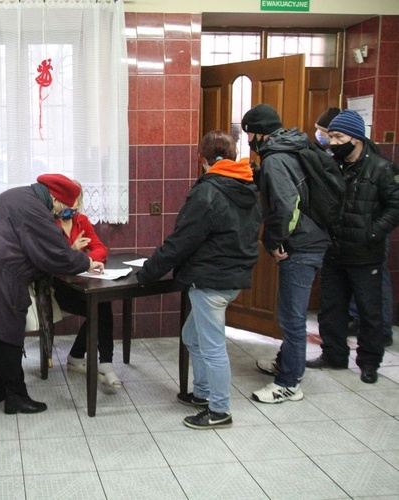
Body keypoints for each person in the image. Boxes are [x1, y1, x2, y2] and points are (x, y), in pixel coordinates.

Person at [0, 174, 104, 415]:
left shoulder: (21, 196)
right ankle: (16, 397)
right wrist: (86, 262)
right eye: (63, 208)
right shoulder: (35, 210)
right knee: (8, 335)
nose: (61, 213)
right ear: (55, 198)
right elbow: (55, 253)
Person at [137, 130, 261, 429]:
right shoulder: (248, 189)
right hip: (232, 277)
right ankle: (203, 394)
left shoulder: (207, 192)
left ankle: (220, 410)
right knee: (192, 337)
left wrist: (146, 274)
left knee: (213, 346)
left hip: (210, 280)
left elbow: (181, 241)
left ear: (202, 159)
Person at [241, 104, 332, 405]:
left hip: (301, 244)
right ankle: (286, 363)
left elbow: (286, 205)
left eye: (249, 134)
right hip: (313, 237)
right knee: (290, 313)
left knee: (291, 318)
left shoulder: (276, 159)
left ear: (258, 133)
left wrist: (274, 241)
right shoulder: (295, 144)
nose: (249, 141)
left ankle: (289, 383)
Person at [307, 110, 399, 383]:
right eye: (331, 137)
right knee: (331, 308)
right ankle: (334, 355)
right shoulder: (333, 166)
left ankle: (369, 363)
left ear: (356, 138)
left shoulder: (382, 169)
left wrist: (371, 233)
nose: (333, 142)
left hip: (365, 255)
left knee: (369, 313)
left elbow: (396, 207)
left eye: (338, 137)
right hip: (334, 251)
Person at [52, 181, 121, 386]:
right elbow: (53, 260)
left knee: (101, 304)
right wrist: (73, 250)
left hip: (81, 282)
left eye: (77, 201)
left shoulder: (81, 220)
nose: (73, 207)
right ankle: (97, 362)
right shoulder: (48, 224)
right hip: (57, 286)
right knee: (100, 308)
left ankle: (99, 361)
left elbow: (100, 248)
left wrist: (89, 260)